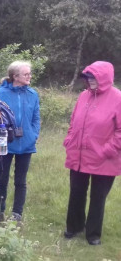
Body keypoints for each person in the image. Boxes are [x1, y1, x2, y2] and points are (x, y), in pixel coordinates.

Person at [63, 61, 121, 246]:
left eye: (94, 77)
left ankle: (93, 233)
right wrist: (70, 139)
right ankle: (74, 226)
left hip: (104, 158)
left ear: (105, 78)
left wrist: (107, 150)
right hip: (79, 154)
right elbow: (74, 122)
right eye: (88, 77)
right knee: (77, 191)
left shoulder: (118, 98)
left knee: (98, 197)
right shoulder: (82, 96)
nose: (91, 80)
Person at [0, 61, 40, 225]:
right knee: (2, 178)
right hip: (5, 143)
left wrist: (33, 135)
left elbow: (36, 118)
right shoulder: (0, 93)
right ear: (15, 76)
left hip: (26, 144)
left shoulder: (33, 94)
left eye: (29, 73)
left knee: (21, 181)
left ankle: (17, 215)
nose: (29, 77)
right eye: (26, 74)